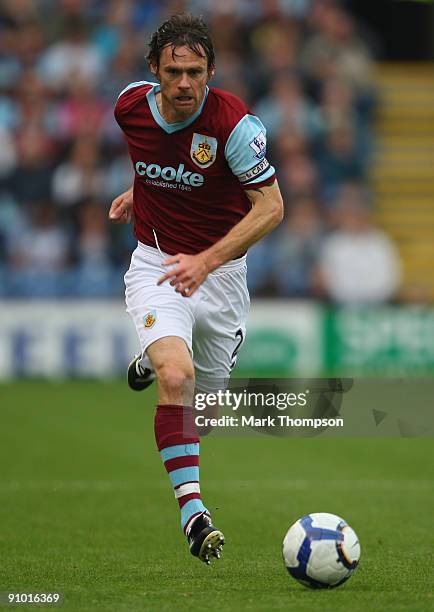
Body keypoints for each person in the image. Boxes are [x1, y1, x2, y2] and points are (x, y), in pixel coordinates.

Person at [109, 13, 283, 565]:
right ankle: (194, 512)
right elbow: (151, 154)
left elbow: (272, 206)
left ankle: (146, 359)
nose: (185, 84)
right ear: (154, 72)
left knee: (202, 411)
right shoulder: (129, 107)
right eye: (174, 71)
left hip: (220, 276)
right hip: (158, 263)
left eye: (196, 72)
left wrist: (207, 262)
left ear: (211, 70)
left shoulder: (234, 126)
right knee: (176, 379)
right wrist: (138, 191)